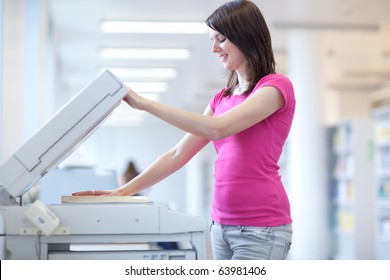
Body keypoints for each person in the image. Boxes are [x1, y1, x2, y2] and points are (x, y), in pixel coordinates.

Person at [73, 0, 295, 260]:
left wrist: (146, 104)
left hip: (261, 229)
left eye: (221, 39)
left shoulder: (275, 87)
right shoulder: (221, 98)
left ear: (244, 36)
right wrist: (122, 191)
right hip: (220, 225)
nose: (214, 49)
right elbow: (177, 154)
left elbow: (217, 129)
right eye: (213, 40)